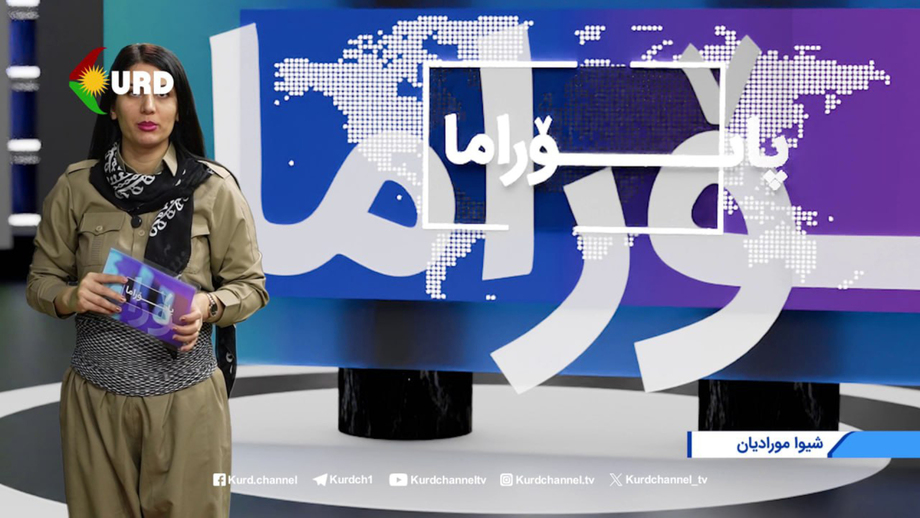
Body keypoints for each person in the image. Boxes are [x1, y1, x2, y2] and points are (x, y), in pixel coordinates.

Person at [25, 43, 268, 517]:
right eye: (134, 92)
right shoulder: (75, 188)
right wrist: (70, 295)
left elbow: (251, 285)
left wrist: (208, 306)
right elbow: (40, 282)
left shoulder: (215, 189)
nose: (149, 106)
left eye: (163, 93)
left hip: (187, 400)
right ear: (113, 107)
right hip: (95, 401)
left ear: (180, 108)